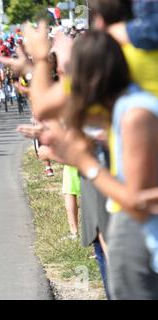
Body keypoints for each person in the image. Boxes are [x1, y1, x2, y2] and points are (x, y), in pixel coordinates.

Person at [38, 31, 158, 299]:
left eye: (69, 71)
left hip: (138, 241)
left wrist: (87, 164)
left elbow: (137, 199)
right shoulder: (125, 107)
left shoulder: (135, 112)